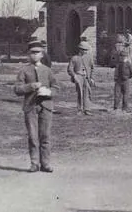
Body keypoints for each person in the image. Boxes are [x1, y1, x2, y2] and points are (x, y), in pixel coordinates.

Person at [14, 40, 59, 173]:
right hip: (30, 107)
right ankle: (34, 163)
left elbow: (56, 87)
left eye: (37, 52)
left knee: (45, 136)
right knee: (33, 136)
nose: (34, 55)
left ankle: (46, 163)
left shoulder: (48, 70)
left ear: (42, 54)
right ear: (28, 54)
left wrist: (49, 92)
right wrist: (30, 87)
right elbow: (17, 89)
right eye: (32, 53)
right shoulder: (24, 70)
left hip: (46, 107)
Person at [67, 42, 93, 115]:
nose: (85, 51)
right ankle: (80, 109)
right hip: (78, 76)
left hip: (86, 77)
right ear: (80, 50)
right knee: (80, 92)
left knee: (87, 92)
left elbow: (92, 68)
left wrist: (91, 77)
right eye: (83, 50)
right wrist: (74, 75)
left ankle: (87, 109)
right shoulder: (74, 58)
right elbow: (70, 69)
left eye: (86, 50)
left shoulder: (89, 57)